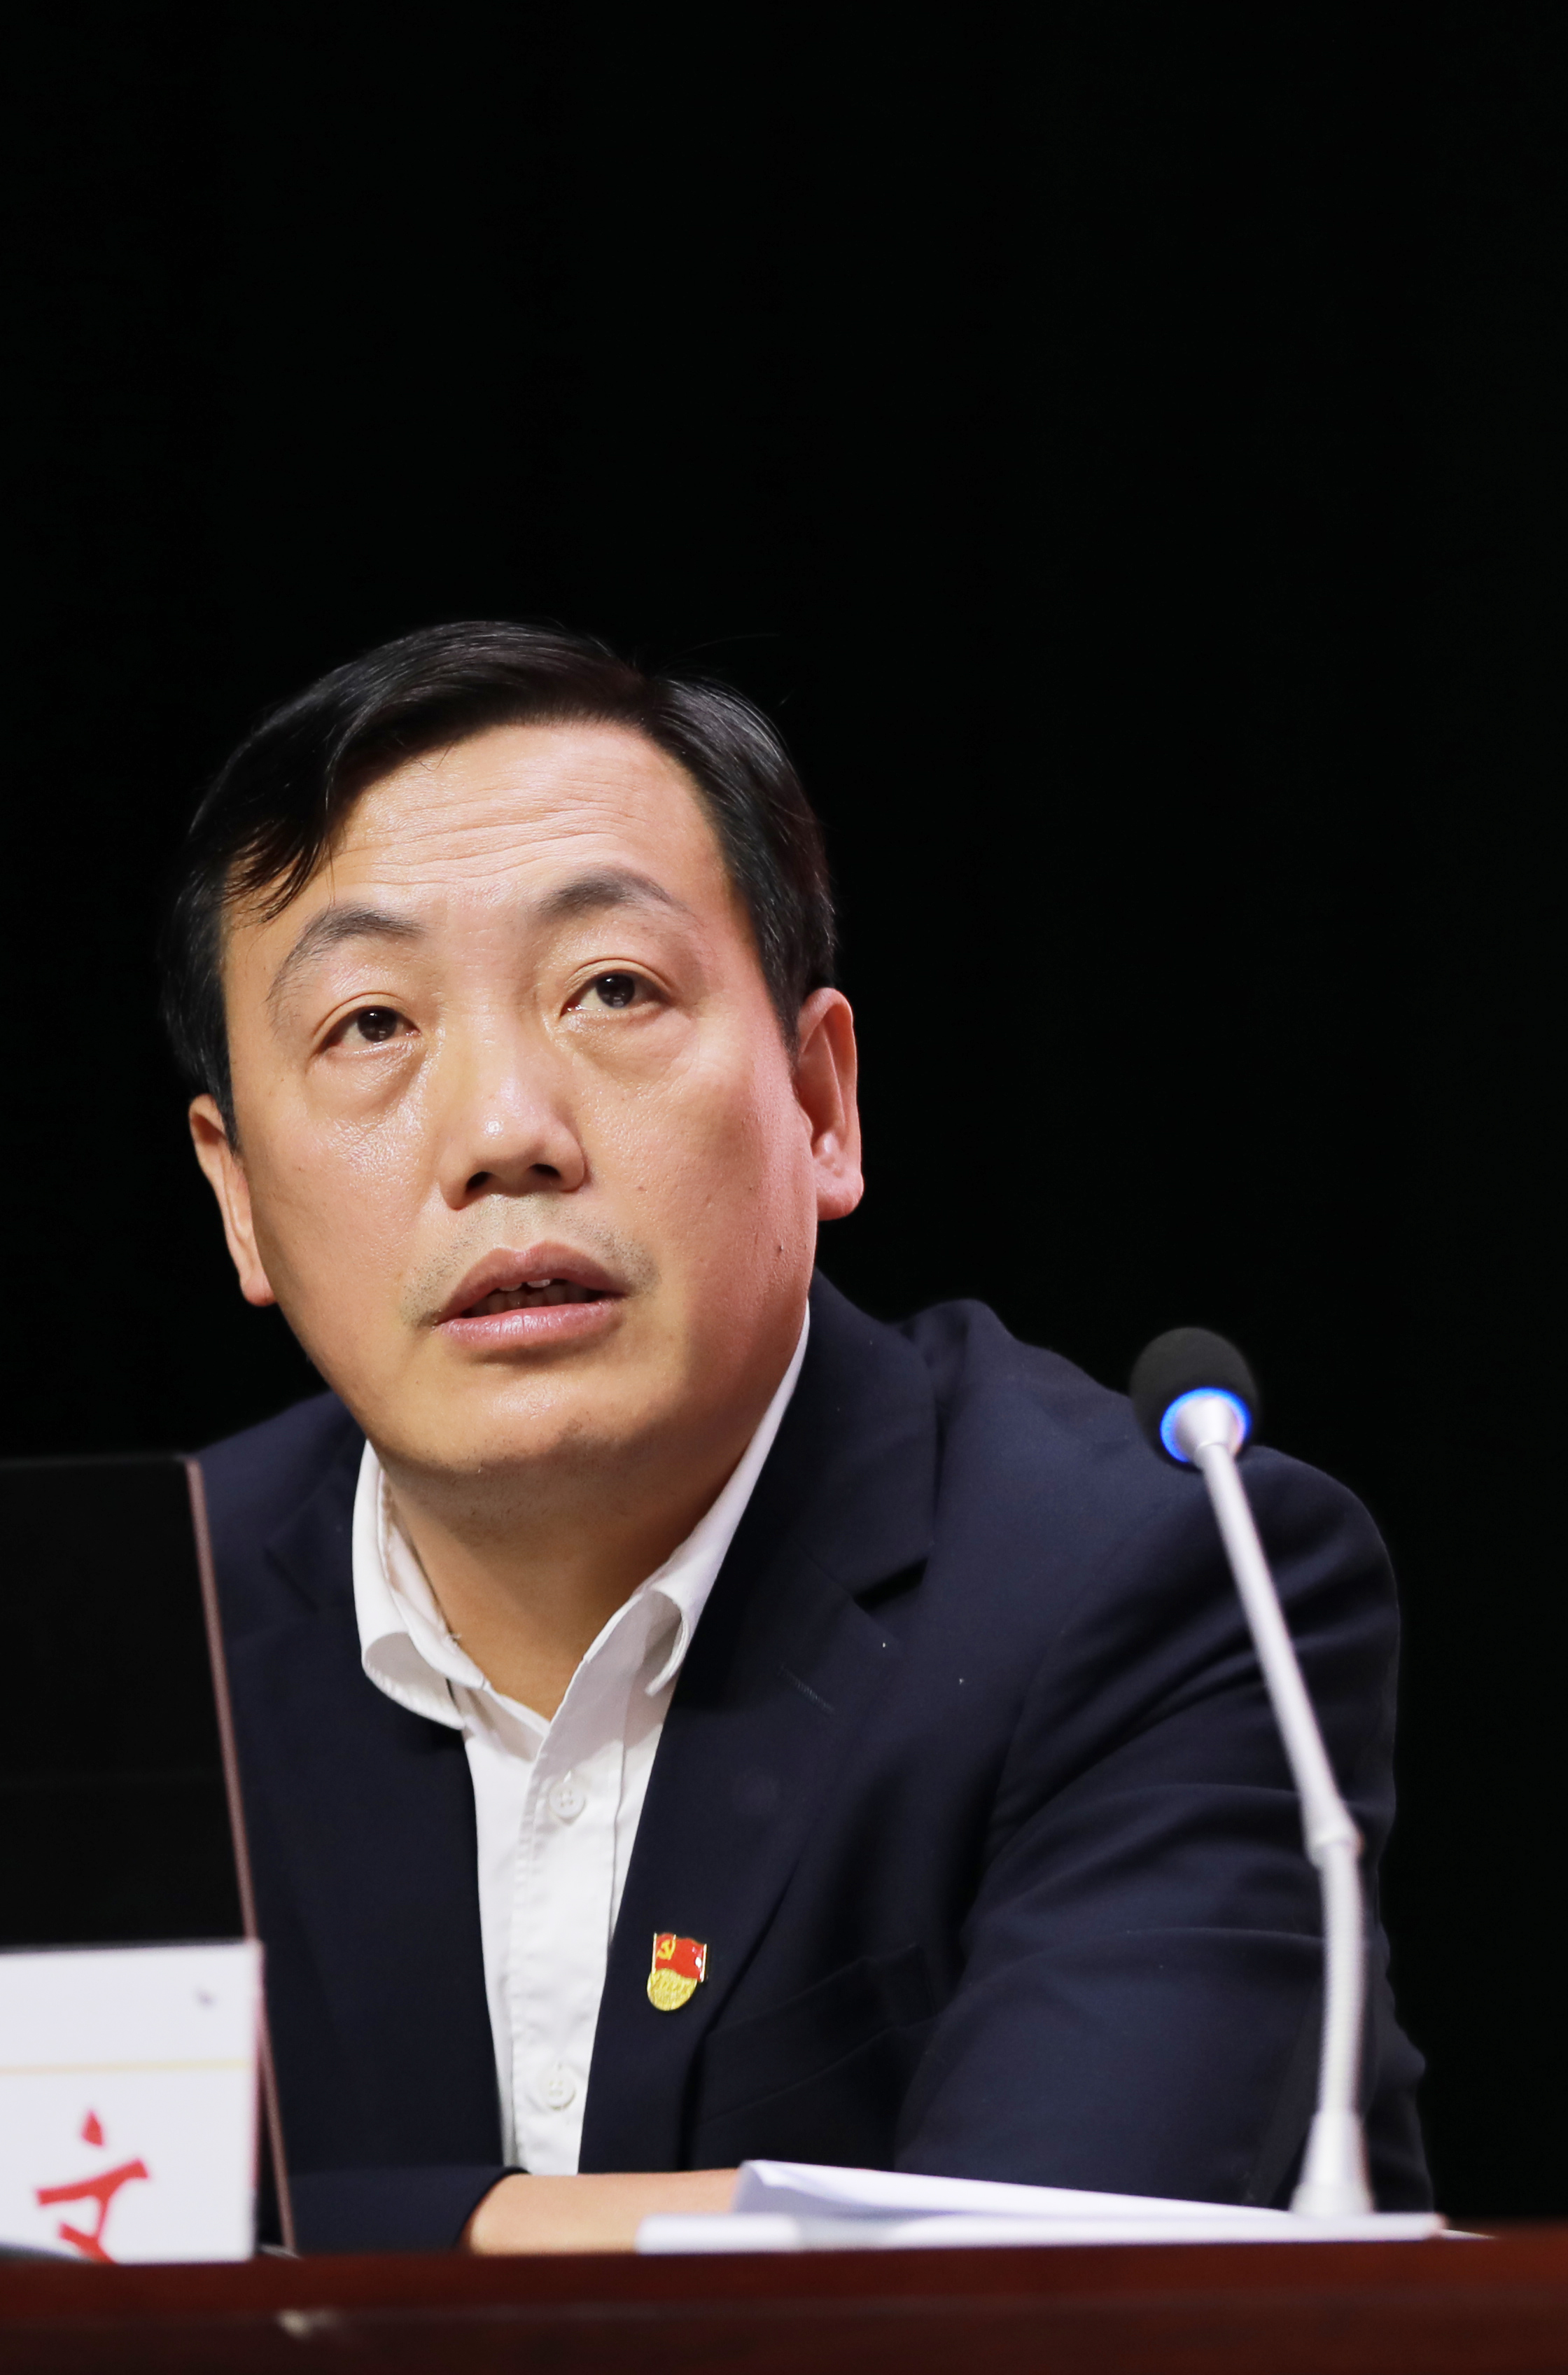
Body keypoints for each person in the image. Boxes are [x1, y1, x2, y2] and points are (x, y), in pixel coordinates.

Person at [170, 622, 1427, 2254]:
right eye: (370, 1026)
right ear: (239, 1196)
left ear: (822, 1103)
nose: (503, 1134)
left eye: (611, 989)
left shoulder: (1154, 1585)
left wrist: (272, 2246)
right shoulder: (130, 1632)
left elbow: (1041, 2282)